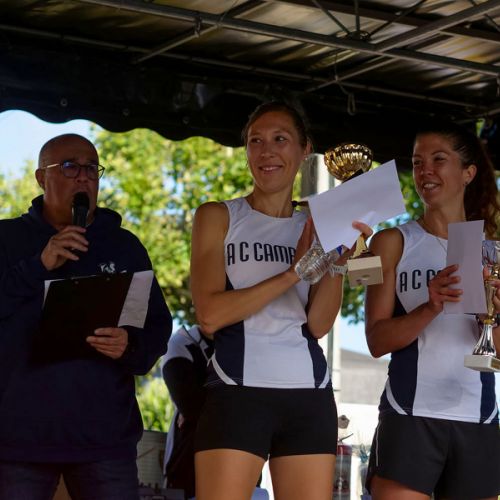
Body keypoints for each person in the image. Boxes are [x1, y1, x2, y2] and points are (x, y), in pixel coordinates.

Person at [190, 101, 372, 500]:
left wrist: (338, 263)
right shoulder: (218, 216)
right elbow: (210, 315)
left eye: (280, 139)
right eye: (255, 141)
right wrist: (294, 272)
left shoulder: (317, 222)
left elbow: (318, 325)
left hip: (309, 393)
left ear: (305, 150)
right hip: (237, 389)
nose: (266, 151)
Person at [0, 134, 172, 499]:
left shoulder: (124, 246)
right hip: (18, 439)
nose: (83, 176)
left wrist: (130, 345)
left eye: (92, 168)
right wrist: (38, 266)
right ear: (41, 178)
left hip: (104, 439)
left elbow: (157, 325)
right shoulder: (7, 239)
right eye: (69, 166)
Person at [364, 121, 500, 500]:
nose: (425, 171)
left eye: (439, 160)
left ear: (468, 173)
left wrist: (492, 316)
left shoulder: (491, 252)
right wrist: (430, 306)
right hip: (410, 415)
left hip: (478, 418)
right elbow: (376, 340)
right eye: (417, 162)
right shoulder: (391, 242)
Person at [161, 324, 214, 499]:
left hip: (240, 465)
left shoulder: (245, 346)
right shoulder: (180, 343)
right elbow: (192, 406)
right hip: (186, 472)